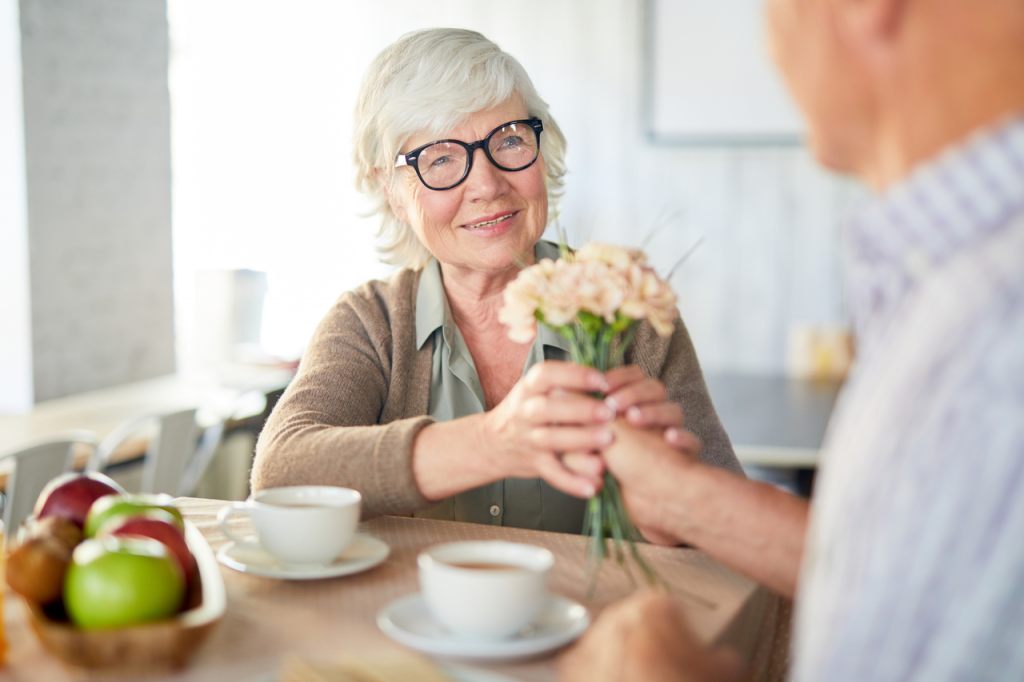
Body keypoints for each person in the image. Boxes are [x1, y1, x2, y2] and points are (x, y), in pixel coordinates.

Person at [561, 0, 1024, 679]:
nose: (770, 38)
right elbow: (904, 573)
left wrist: (660, 671)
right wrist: (678, 494)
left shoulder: (991, 333)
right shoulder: (956, 282)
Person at [250, 28, 742, 533]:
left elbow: (726, 536)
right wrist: (494, 442)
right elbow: (282, 472)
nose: (487, 184)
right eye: (441, 158)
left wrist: (667, 515)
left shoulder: (625, 308)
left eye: (508, 140)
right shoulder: (369, 323)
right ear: (393, 192)